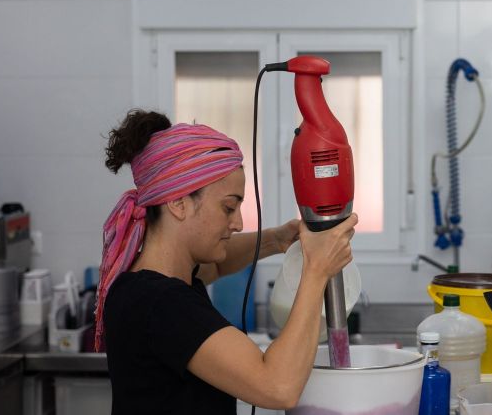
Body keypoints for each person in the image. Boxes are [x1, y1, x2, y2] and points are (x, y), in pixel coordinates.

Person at [96, 109, 356, 414]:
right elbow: (279, 387)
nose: (237, 222)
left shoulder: (148, 282)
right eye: (228, 207)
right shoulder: (160, 303)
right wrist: (317, 269)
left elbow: (218, 264)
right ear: (178, 203)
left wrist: (275, 239)